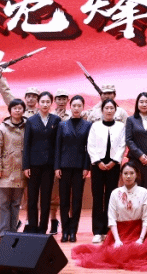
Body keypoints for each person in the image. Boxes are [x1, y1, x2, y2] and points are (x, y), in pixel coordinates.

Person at [71, 161, 147, 270]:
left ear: (137, 175)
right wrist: (117, 240)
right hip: (120, 233)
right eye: (125, 173)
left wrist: (141, 239)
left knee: (143, 253)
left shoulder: (144, 192)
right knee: (117, 253)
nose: (128, 176)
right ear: (121, 175)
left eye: (131, 173)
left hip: (138, 232)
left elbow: (146, 218)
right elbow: (112, 218)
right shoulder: (115, 193)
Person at [86, 98, 126, 243]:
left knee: (111, 197)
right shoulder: (95, 126)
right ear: (102, 110)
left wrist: (114, 161)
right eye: (106, 108)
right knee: (97, 197)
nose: (109, 111)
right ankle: (97, 231)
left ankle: (109, 229)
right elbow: (90, 145)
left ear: (115, 110)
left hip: (113, 165)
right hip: (97, 165)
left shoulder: (121, 126)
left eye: (111, 108)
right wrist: (98, 162)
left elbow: (122, 145)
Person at [55, 95, 92, 243]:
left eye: (79, 106)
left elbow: (89, 148)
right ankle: (65, 231)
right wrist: (56, 166)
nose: (76, 108)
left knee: (76, 200)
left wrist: (86, 167)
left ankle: (73, 231)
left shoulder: (87, 125)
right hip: (64, 167)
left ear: (83, 107)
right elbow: (57, 147)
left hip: (79, 168)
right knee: (64, 200)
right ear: (70, 107)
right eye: (74, 106)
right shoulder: (62, 125)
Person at [22, 91, 60, 235]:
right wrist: (26, 165)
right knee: (32, 198)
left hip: (49, 165)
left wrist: (56, 166)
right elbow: (26, 144)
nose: (45, 104)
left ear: (51, 103)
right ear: (38, 103)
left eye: (47, 102)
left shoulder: (56, 120)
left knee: (46, 197)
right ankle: (32, 226)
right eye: (42, 102)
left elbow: (57, 145)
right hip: (33, 165)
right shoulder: (31, 120)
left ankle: (43, 227)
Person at [0, 98, 27, 238]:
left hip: (20, 171)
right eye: (14, 108)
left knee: (16, 204)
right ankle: (4, 233)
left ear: (23, 110)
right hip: (5, 171)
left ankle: (13, 232)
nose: (17, 110)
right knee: (4, 204)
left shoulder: (27, 126)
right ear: (10, 111)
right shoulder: (3, 127)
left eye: (20, 108)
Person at [126, 92, 147, 191]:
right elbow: (129, 140)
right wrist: (140, 155)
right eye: (141, 102)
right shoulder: (131, 120)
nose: (144, 104)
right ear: (137, 104)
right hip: (135, 160)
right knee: (134, 189)